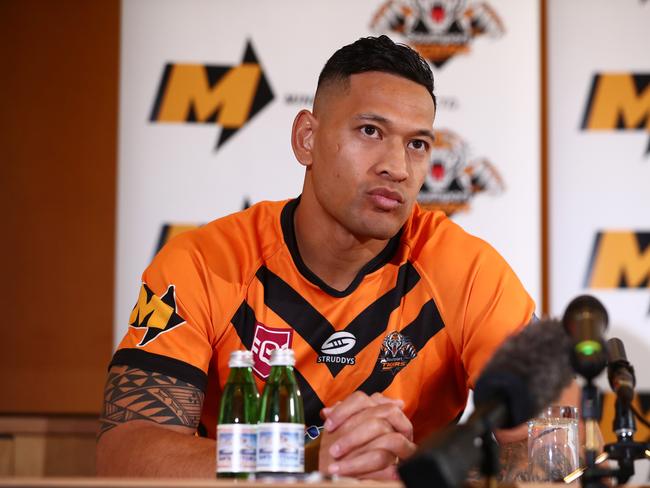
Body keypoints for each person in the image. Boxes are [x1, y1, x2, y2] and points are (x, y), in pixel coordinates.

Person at [96, 35, 562, 480]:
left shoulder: (467, 271)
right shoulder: (204, 263)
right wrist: (308, 460)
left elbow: (554, 447)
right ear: (306, 138)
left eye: (417, 144)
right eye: (370, 131)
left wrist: (412, 471)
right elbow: (126, 452)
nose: (396, 167)